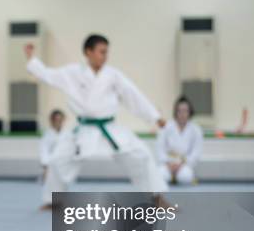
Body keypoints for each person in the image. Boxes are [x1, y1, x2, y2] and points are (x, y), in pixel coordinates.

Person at [24, 34, 168, 206]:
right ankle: (52, 200)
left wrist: (155, 117)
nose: (105, 56)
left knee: (142, 156)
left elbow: (133, 96)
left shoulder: (113, 75)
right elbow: (48, 75)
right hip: (83, 130)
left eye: (107, 52)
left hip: (110, 129)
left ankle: (157, 200)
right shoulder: (73, 73)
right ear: (88, 52)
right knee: (58, 159)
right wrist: (32, 59)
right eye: (102, 52)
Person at [157, 96, 203, 185]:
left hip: (184, 165)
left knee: (185, 177)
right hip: (167, 164)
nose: (182, 114)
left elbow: (196, 153)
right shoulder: (166, 127)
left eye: (185, 111)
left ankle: (177, 178)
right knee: (161, 176)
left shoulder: (196, 130)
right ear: (175, 112)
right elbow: (159, 149)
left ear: (190, 112)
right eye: (179, 111)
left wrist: (181, 164)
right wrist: (168, 163)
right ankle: (170, 177)